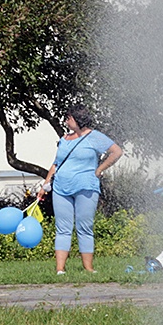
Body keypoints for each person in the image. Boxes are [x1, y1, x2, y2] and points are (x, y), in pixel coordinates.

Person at [37, 104, 123, 274]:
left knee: (84, 227)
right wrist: (45, 185)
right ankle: (60, 269)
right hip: (61, 188)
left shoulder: (95, 137)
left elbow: (116, 152)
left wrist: (99, 170)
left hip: (86, 187)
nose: (66, 120)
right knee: (63, 228)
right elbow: (56, 163)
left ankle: (89, 268)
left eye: (68, 117)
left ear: (78, 119)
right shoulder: (64, 139)